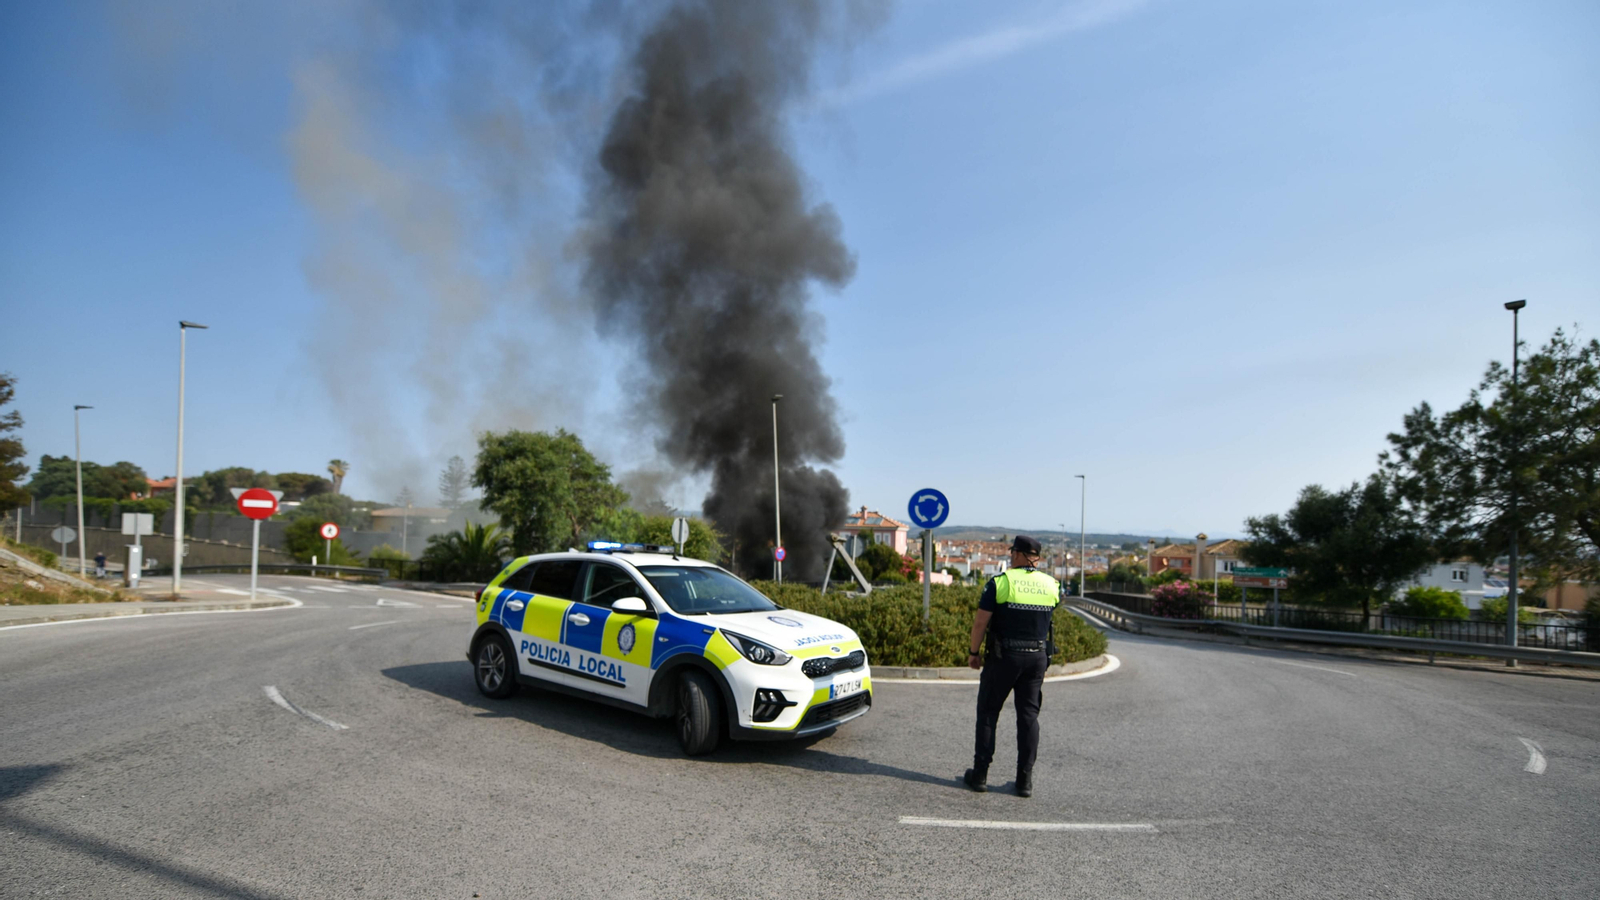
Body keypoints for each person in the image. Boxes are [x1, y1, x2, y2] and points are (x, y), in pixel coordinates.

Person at [963, 535, 1062, 797]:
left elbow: (979, 624)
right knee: (1028, 717)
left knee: (988, 713)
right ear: (1037, 558)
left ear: (1017, 554)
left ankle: (980, 775)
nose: (1010, 556)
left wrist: (974, 653)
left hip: (1003, 657)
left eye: (1011, 552)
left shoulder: (1001, 582)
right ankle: (1024, 781)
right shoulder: (1052, 585)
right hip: (1036, 659)